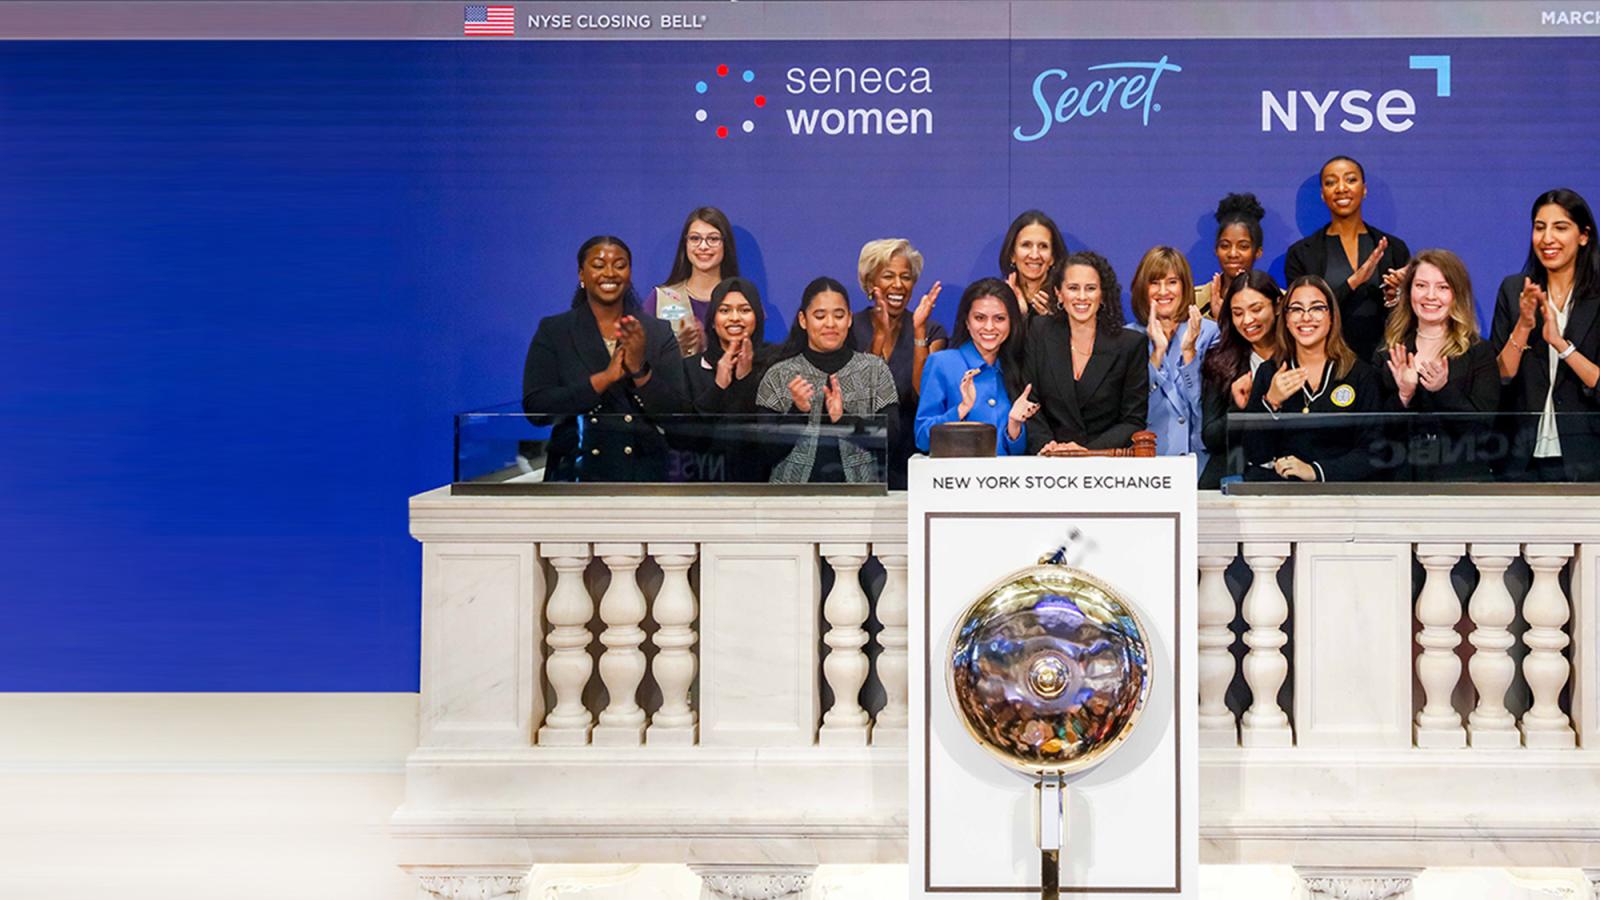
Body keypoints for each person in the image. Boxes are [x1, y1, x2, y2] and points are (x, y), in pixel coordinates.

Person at [522, 236, 689, 482]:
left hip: (643, 478)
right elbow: (537, 409)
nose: (609, 273)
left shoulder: (656, 332)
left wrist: (640, 372)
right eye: (598, 265)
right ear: (581, 274)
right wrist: (603, 379)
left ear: (629, 273)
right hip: (575, 474)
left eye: (619, 265)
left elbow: (678, 414)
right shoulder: (555, 331)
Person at [1490, 188, 1600, 482]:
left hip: (1588, 454)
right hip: (1521, 456)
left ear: (1584, 235)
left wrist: (1561, 345)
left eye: (1560, 227)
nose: (1547, 238)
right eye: (1540, 228)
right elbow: (1498, 377)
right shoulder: (1514, 290)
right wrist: (1524, 326)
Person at [756, 277, 899, 484]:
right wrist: (797, 413)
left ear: (849, 319)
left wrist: (844, 420)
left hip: (862, 500)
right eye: (820, 316)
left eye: (839, 315)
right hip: (790, 501)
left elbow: (892, 439)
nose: (830, 324)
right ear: (803, 320)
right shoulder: (779, 375)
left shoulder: (874, 370)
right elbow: (763, 451)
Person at [1374, 249, 1499, 481]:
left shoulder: (1478, 352)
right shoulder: (1389, 351)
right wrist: (1403, 396)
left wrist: (1443, 391)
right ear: (1409, 291)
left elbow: (1482, 432)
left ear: (1457, 294)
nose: (1430, 296)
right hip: (1402, 484)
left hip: (1462, 484)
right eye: (1421, 285)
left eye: (1442, 287)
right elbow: (1373, 435)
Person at [1244, 275, 1380, 482]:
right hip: (1281, 499)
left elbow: (1373, 452)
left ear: (1332, 316)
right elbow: (1255, 455)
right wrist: (1271, 403)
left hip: (1341, 497)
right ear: (1287, 320)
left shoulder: (1360, 374)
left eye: (1317, 308)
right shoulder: (1269, 372)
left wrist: (1315, 471)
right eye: (1297, 309)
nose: (1306, 317)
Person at [1284, 156, 1411, 361]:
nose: (1341, 188)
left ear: (1364, 189)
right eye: (1331, 182)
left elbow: (1406, 316)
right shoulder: (1301, 254)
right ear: (1323, 195)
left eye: (1350, 180)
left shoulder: (1393, 248)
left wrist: (1393, 296)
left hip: (1383, 364)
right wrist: (1353, 282)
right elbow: (1300, 316)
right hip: (1325, 363)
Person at [1021, 251, 1148, 453]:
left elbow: (1133, 420)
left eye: (1090, 288)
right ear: (1059, 293)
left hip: (1105, 465)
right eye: (1073, 288)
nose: (1081, 297)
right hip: (1048, 461)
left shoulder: (1130, 345)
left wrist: (1085, 453)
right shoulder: (1039, 331)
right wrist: (1047, 446)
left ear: (1102, 294)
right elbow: (1029, 400)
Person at [851, 238, 946, 486]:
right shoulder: (850, 328)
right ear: (870, 282)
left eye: (905, 277)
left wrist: (918, 332)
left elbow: (923, 394)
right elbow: (858, 395)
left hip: (912, 460)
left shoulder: (931, 331)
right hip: (858, 456)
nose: (898, 285)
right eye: (888, 276)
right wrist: (880, 336)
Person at [914, 278, 1038, 456]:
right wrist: (961, 410)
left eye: (999, 319)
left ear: (1011, 322)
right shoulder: (942, 363)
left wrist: (1014, 425)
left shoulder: (1018, 366)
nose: (989, 327)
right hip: (956, 480)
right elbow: (922, 439)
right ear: (967, 321)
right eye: (980, 318)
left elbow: (1017, 452)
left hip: (1007, 480)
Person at [673, 276, 774, 483]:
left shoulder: (774, 364)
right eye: (724, 310)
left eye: (745, 310)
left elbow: (771, 439)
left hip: (762, 488)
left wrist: (745, 381)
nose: (735, 318)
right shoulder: (689, 368)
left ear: (757, 315)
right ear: (713, 318)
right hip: (703, 485)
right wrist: (718, 387)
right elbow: (684, 439)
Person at [1128, 246, 1219, 470]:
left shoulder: (1209, 333)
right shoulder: (1128, 338)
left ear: (1184, 286)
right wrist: (1157, 355)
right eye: (1155, 283)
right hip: (1145, 462)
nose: (1163, 291)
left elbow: (1205, 410)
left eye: (1171, 282)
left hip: (1196, 461)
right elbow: (1132, 411)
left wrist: (1189, 354)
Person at [1199, 271, 1283, 488]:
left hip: (1291, 477)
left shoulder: (1300, 357)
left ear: (1277, 306)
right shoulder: (1221, 361)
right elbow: (1211, 437)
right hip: (1236, 477)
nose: (1247, 320)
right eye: (1237, 313)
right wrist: (1240, 407)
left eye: (1256, 309)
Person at [645, 207, 741, 358]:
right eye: (695, 238)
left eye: (713, 239)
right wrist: (677, 349)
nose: (703, 246)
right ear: (685, 244)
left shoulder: (743, 297)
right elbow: (643, 360)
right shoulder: (661, 298)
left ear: (726, 244)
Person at [1195, 193, 1266, 318]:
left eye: (1243, 246)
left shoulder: (1277, 300)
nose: (1233, 254)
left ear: (1258, 252)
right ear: (1215, 250)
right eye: (1225, 246)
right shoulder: (1194, 300)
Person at [998, 210, 1068, 319]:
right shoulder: (998, 300)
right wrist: (1018, 315)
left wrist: (1051, 321)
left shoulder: (1066, 301)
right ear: (1012, 254)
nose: (1034, 255)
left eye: (1043, 246)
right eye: (1026, 245)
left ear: (1053, 257)